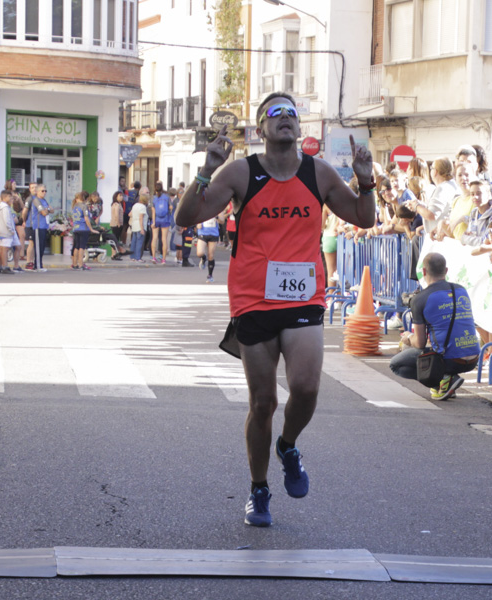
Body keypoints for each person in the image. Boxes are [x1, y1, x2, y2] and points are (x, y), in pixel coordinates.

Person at [173, 91, 375, 528]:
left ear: (299, 128)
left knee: (305, 388)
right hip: (253, 299)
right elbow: (185, 218)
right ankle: (259, 489)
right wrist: (207, 171)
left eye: (291, 113)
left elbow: (363, 218)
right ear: (261, 128)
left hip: (303, 297)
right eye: (275, 113)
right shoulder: (241, 173)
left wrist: (366, 181)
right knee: (262, 402)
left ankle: (288, 445)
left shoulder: (317, 173)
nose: (285, 118)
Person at [390, 252, 481, 399]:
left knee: (397, 364)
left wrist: (408, 337)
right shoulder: (461, 290)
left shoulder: (420, 299)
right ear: (446, 271)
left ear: (424, 272)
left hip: (450, 359)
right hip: (474, 358)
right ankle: (449, 380)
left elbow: (419, 343)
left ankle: (441, 383)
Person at [26, 184, 51, 272]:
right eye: (42, 191)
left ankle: (40, 263)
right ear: (37, 191)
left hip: (44, 226)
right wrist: (47, 210)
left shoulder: (44, 200)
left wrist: (47, 210)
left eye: (45, 191)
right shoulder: (36, 200)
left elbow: (51, 209)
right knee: (38, 246)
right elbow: (44, 212)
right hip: (38, 226)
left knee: (42, 246)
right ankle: (37, 265)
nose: (44, 193)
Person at [0, 190, 19, 274]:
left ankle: (2, 266)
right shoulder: (5, 208)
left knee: (16, 247)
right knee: (4, 249)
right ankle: (4, 266)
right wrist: (11, 230)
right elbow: (7, 220)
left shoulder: (5, 207)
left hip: (8, 231)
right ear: (4, 198)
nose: (11, 198)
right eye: (9, 197)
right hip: (6, 231)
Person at [196, 211, 221, 282]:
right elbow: (196, 217)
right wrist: (198, 224)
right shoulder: (202, 206)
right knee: (199, 253)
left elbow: (222, 221)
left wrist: (217, 217)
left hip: (213, 234)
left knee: (211, 255)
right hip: (202, 233)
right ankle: (203, 258)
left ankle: (210, 275)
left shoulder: (217, 207)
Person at [151, 187, 173, 264]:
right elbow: (171, 208)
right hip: (165, 220)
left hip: (156, 220)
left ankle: (153, 257)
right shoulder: (167, 198)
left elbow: (153, 211)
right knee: (164, 239)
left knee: (154, 238)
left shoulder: (153, 198)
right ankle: (163, 259)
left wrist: (153, 222)